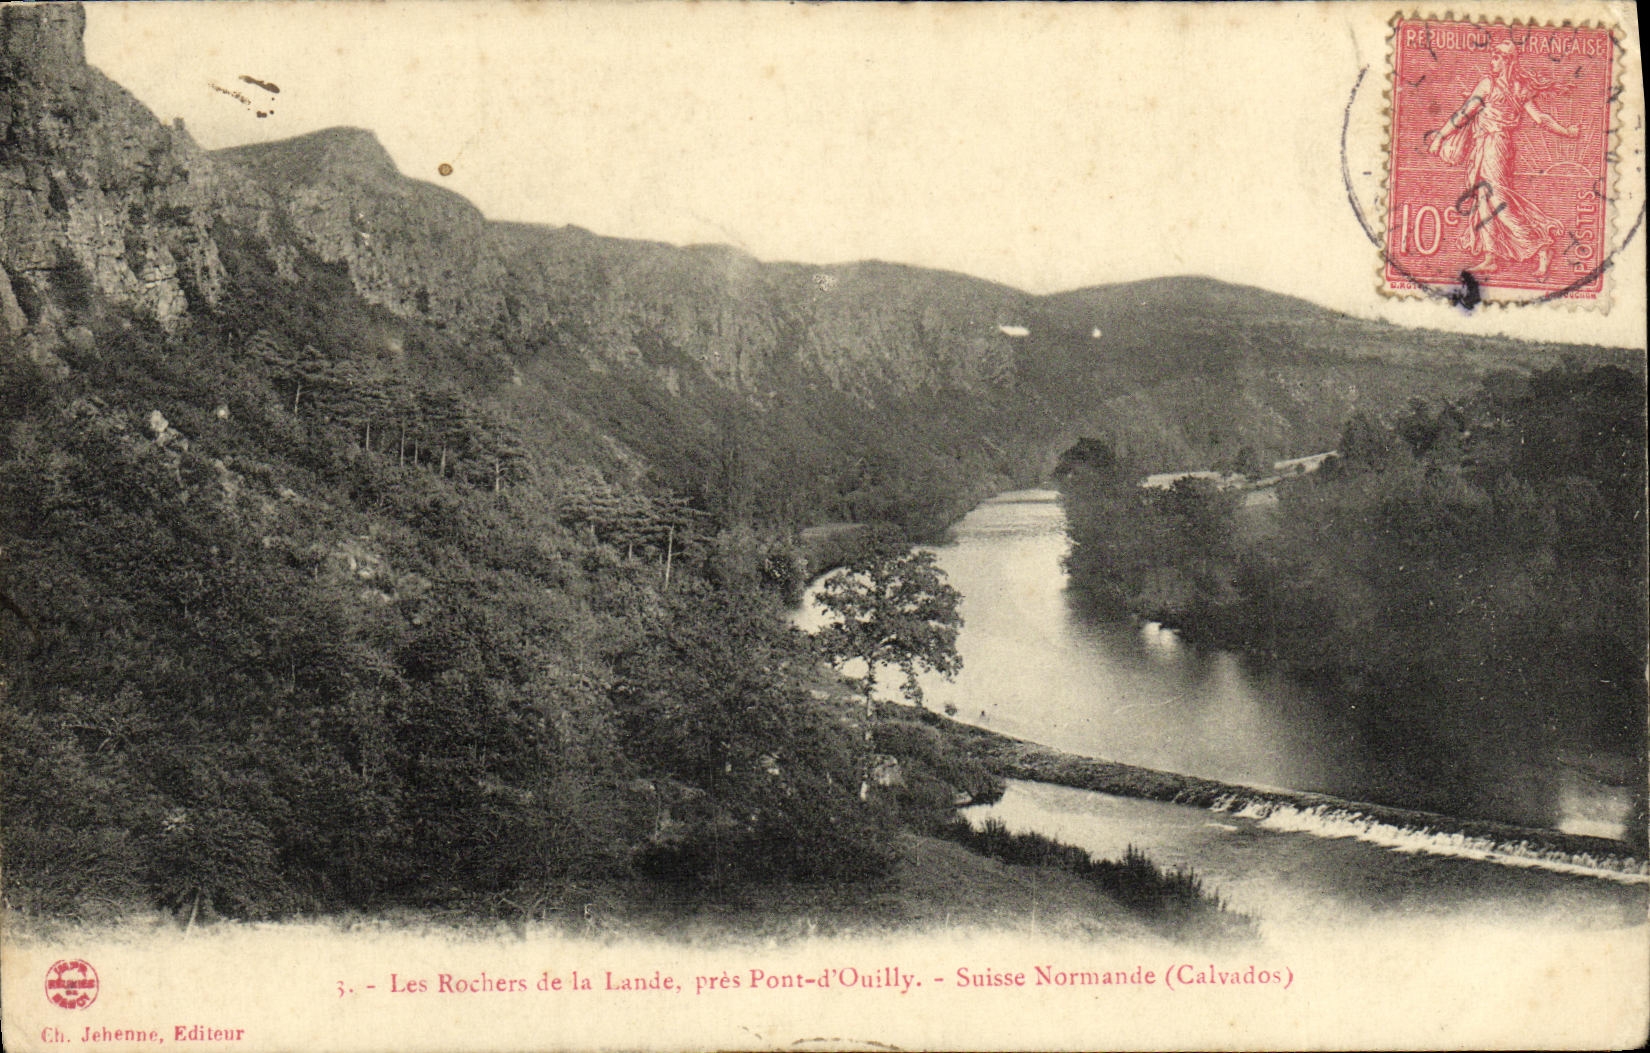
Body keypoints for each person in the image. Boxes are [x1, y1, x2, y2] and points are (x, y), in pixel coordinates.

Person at [1428, 40, 1580, 277]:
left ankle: (1541, 246)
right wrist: (1441, 135)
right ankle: (1490, 257)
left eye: (1497, 58)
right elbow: (1464, 114)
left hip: (1497, 146)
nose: (1493, 61)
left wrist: (1566, 132)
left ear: (1508, 61)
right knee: (1482, 198)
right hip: (1484, 145)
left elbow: (1540, 118)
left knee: (1497, 198)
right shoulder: (1493, 84)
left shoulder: (1509, 87)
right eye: (1493, 57)